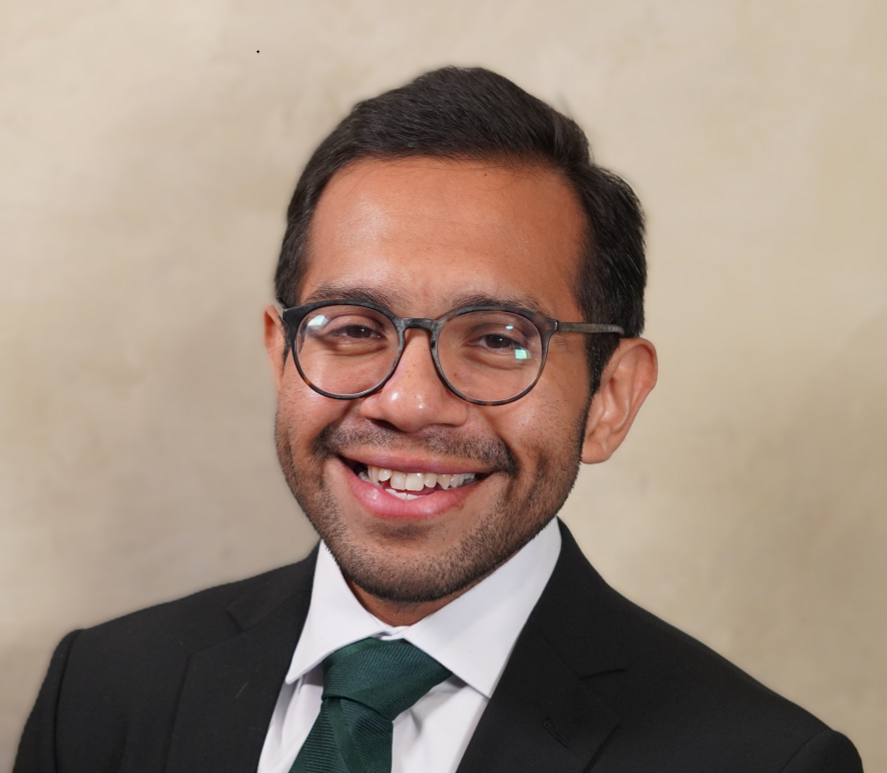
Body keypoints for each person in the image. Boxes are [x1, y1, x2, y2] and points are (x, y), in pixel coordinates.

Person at [14, 67, 862, 773]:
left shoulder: (761, 760)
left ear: (610, 397)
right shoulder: (101, 690)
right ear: (282, 356)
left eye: (497, 339)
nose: (408, 401)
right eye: (353, 328)